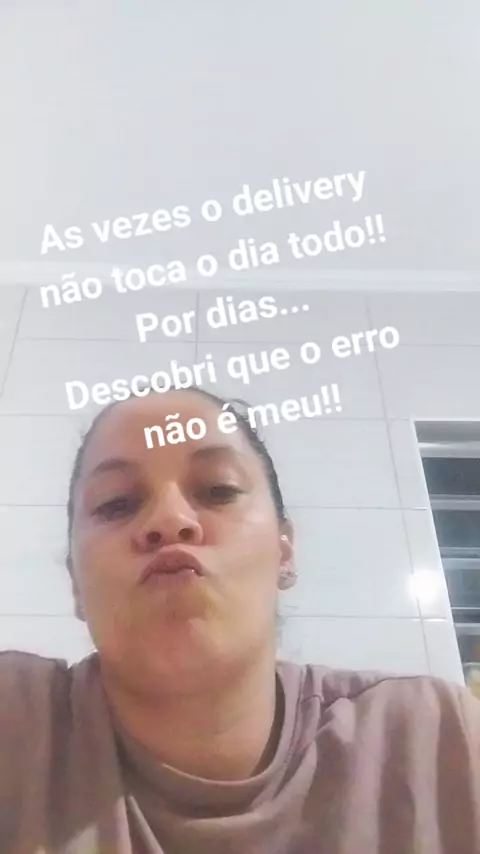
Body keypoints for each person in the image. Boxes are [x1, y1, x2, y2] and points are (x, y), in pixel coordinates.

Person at [1, 386, 479, 854]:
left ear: (284, 551)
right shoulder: (16, 723)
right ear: (75, 582)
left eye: (219, 490)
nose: (169, 519)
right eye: (116, 503)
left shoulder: (435, 738)